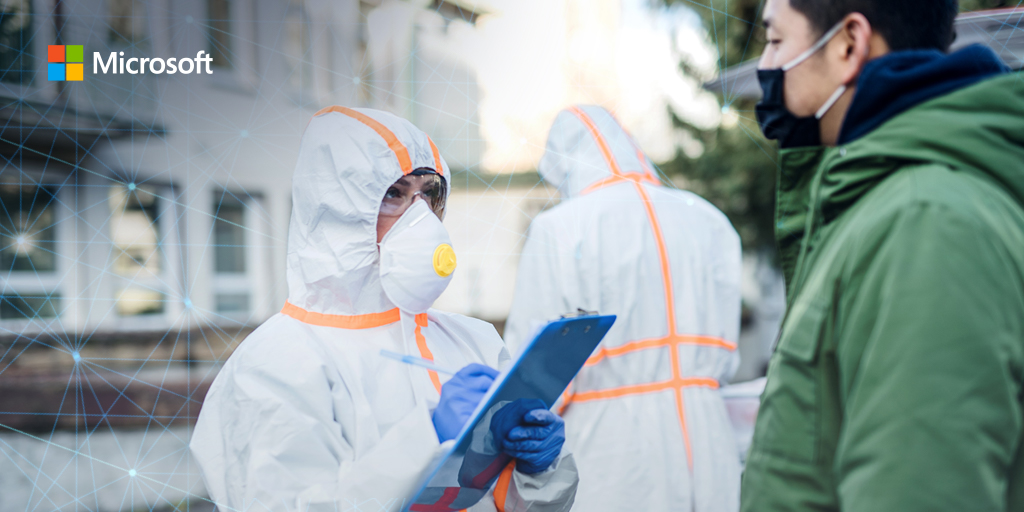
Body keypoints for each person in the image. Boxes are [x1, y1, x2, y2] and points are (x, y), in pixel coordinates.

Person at [190, 106, 578, 512]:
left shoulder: (473, 341)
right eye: (394, 194)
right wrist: (427, 439)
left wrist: (538, 470)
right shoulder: (277, 362)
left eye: (430, 194)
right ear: (335, 211)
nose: (422, 217)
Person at [743, 0, 1024, 510]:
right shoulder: (880, 204)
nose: (765, 67)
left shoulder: (927, 222)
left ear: (849, 44)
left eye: (776, 41)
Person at [505, 105, 743, 511]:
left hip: (612, 449)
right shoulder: (709, 220)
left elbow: (536, 374)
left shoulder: (560, 227)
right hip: (708, 439)